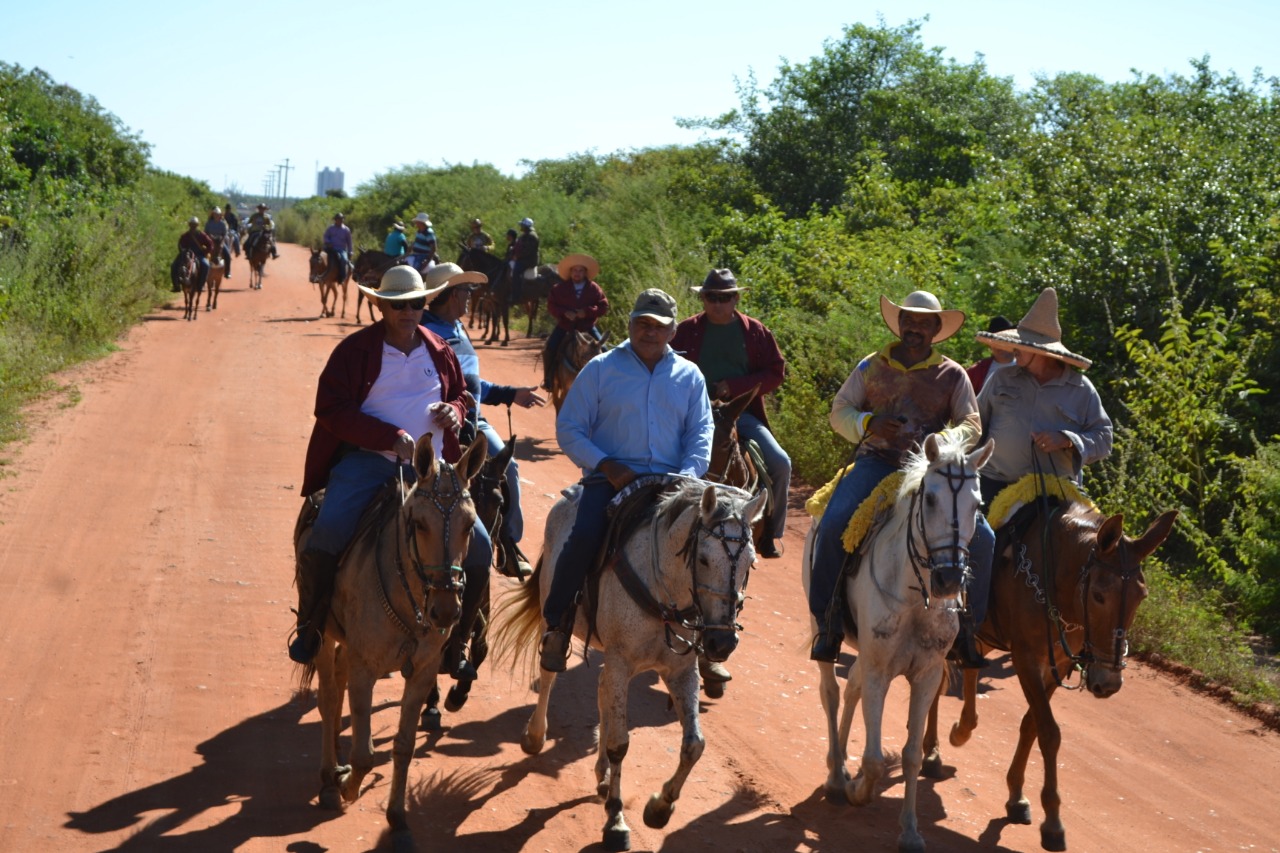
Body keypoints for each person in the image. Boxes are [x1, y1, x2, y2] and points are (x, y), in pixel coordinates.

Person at [289, 264, 492, 665]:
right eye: (398, 304)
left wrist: (453, 412)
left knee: (481, 548)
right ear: (380, 305)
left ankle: (458, 641)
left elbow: (460, 396)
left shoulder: (439, 348)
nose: (408, 311)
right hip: (369, 462)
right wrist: (388, 438)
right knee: (327, 532)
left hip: (434, 474)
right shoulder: (354, 351)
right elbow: (329, 408)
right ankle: (312, 625)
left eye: (416, 303)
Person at [808, 290, 994, 668]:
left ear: (936, 329)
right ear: (899, 324)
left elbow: (971, 423)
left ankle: (969, 629)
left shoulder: (952, 374)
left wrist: (941, 443)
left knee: (984, 538)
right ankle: (827, 623)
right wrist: (868, 423)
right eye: (909, 320)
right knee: (833, 523)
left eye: (924, 322)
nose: (915, 328)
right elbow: (839, 410)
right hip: (876, 462)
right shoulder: (871, 366)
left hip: (931, 472)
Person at [539, 289, 714, 672]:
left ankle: (706, 637)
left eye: (658, 326)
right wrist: (604, 464)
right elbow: (569, 427)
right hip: (612, 478)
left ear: (672, 332)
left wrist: (688, 476)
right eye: (642, 324)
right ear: (630, 323)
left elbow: (701, 432)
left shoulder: (689, 376)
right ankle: (558, 623)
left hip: (673, 482)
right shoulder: (601, 369)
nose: (649, 332)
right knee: (584, 535)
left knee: (715, 547)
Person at [420, 261, 546, 578]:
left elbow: (473, 384)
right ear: (450, 294)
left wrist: (509, 393)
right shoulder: (429, 333)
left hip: (475, 421)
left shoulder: (459, 329)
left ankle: (508, 543)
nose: (470, 296)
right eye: (466, 290)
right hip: (444, 426)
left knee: (509, 468)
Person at [671, 268, 791, 560]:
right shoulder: (686, 330)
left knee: (780, 463)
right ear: (702, 298)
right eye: (711, 297)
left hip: (741, 413)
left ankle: (770, 535)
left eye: (724, 297)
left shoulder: (755, 332)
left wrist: (735, 387)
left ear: (736, 298)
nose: (717, 303)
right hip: (692, 412)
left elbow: (776, 373)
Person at [974, 287, 1113, 507]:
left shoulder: (1081, 389)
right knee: (975, 539)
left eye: (1021, 346)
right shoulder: (1002, 378)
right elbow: (975, 424)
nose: (1014, 350)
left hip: (1054, 491)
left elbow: (1104, 439)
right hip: (994, 483)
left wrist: (1067, 439)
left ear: (1041, 351)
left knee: (1087, 538)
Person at [542, 253, 609, 391]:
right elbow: (551, 306)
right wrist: (564, 313)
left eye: (580, 271)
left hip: (587, 326)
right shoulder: (559, 288)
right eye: (574, 270)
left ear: (585, 273)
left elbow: (603, 306)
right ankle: (548, 379)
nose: (577, 274)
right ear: (570, 272)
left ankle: (606, 382)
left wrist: (587, 312)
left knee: (605, 350)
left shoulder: (594, 288)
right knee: (550, 347)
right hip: (565, 326)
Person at [966, 315, 1014, 394]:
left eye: (1004, 340)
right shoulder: (976, 372)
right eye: (995, 341)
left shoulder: (1028, 369)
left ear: (1014, 342)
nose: (1000, 345)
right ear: (989, 344)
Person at [174, 216, 214, 293]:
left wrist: (206, 251)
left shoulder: (202, 235)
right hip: (186, 255)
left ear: (197, 225)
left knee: (206, 265)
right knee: (174, 265)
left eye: (195, 224)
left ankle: (201, 285)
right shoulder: (185, 235)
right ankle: (176, 285)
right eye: (192, 224)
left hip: (199, 255)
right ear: (189, 225)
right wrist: (182, 252)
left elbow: (210, 244)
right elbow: (180, 244)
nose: (193, 226)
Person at [511, 217, 539, 302]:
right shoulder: (525, 235)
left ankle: (516, 296)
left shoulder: (531, 236)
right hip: (524, 258)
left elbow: (527, 251)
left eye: (522, 225)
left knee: (516, 272)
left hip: (529, 261)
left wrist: (517, 256)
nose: (521, 227)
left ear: (526, 226)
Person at [203, 206, 233, 280]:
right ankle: (202, 274)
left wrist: (221, 241)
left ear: (220, 215)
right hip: (210, 242)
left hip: (220, 241)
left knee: (227, 255)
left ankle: (227, 272)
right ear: (213, 215)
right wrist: (210, 237)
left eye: (218, 214)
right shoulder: (208, 223)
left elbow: (224, 234)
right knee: (202, 254)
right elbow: (205, 233)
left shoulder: (222, 224)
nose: (216, 215)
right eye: (215, 214)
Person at [322, 212, 353, 281]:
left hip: (341, 249)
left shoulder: (346, 230)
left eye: (342, 219)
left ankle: (342, 277)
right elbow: (325, 236)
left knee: (344, 260)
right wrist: (328, 242)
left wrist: (350, 252)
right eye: (338, 219)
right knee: (320, 257)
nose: (340, 220)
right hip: (330, 248)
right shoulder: (330, 228)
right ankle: (318, 275)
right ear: (335, 220)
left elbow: (349, 242)